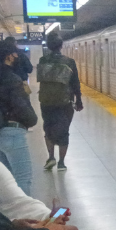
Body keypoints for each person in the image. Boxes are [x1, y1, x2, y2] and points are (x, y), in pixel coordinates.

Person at [0, 38, 38, 193]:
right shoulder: (11, 78)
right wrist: (33, 120)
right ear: (8, 56)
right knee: (23, 178)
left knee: (5, 182)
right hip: (12, 132)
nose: (17, 56)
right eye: (15, 53)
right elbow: (21, 107)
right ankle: (26, 215)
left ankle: (9, 216)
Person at [38, 32, 83, 172]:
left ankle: (51, 157)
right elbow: (75, 83)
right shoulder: (69, 62)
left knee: (48, 128)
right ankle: (62, 163)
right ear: (61, 45)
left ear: (49, 46)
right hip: (64, 103)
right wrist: (79, 100)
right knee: (64, 131)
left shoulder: (43, 60)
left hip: (46, 102)